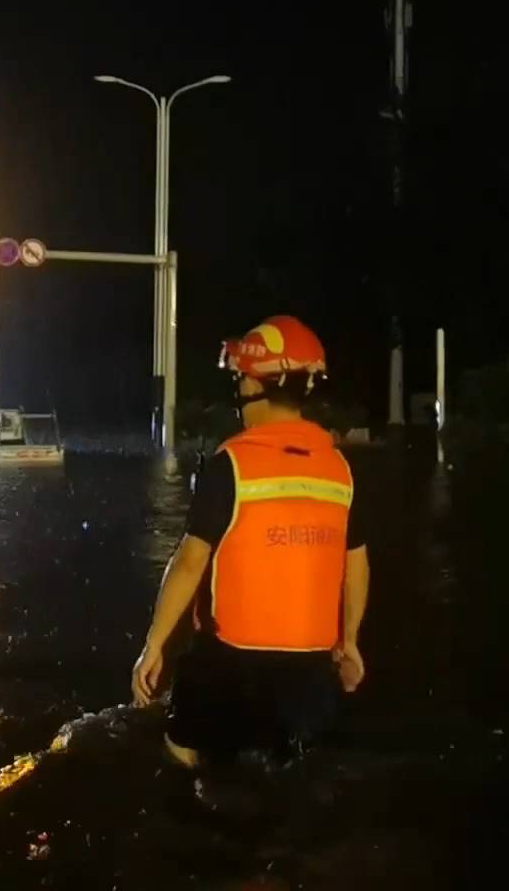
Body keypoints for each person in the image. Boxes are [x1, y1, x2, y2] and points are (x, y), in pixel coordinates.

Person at [131, 315, 371, 769]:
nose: (238, 385)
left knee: (184, 756)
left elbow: (189, 563)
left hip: (230, 663)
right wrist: (350, 642)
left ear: (258, 384)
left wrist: (154, 645)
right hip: (311, 668)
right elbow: (355, 564)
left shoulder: (232, 465)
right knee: (290, 771)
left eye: (242, 375)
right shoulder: (340, 469)